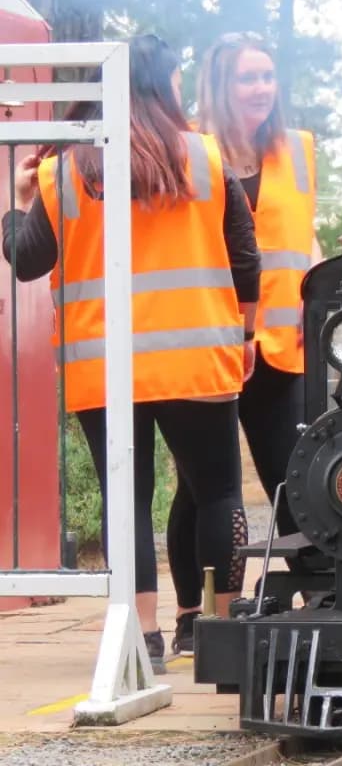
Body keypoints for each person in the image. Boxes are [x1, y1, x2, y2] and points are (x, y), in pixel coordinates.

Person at [1, 35, 260, 673]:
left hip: (105, 365)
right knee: (221, 490)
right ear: (163, 85)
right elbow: (246, 257)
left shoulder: (65, 172)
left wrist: (18, 203)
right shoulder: (204, 158)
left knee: (129, 500)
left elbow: (27, 261)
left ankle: (141, 635)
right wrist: (245, 335)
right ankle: (216, 632)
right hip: (196, 354)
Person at [165, 31, 321, 657]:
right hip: (211, 339)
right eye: (247, 79)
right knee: (200, 487)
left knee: (293, 474)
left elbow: (303, 235)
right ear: (220, 87)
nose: (261, 89)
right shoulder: (190, 153)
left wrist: (319, 288)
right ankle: (190, 616)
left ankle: (311, 597)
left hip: (281, 342)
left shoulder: (299, 151)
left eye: (267, 76)